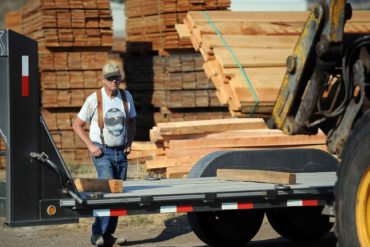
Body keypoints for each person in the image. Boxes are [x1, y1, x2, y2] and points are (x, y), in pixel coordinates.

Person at [73, 63, 136, 246]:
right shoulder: (95, 99)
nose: (114, 81)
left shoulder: (126, 96)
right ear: (103, 80)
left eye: (116, 77)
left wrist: (129, 143)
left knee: (117, 195)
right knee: (108, 192)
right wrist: (91, 145)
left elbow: (132, 121)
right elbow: (77, 125)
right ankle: (97, 234)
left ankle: (108, 235)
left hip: (121, 152)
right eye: (110, 78)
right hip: (103, 152)